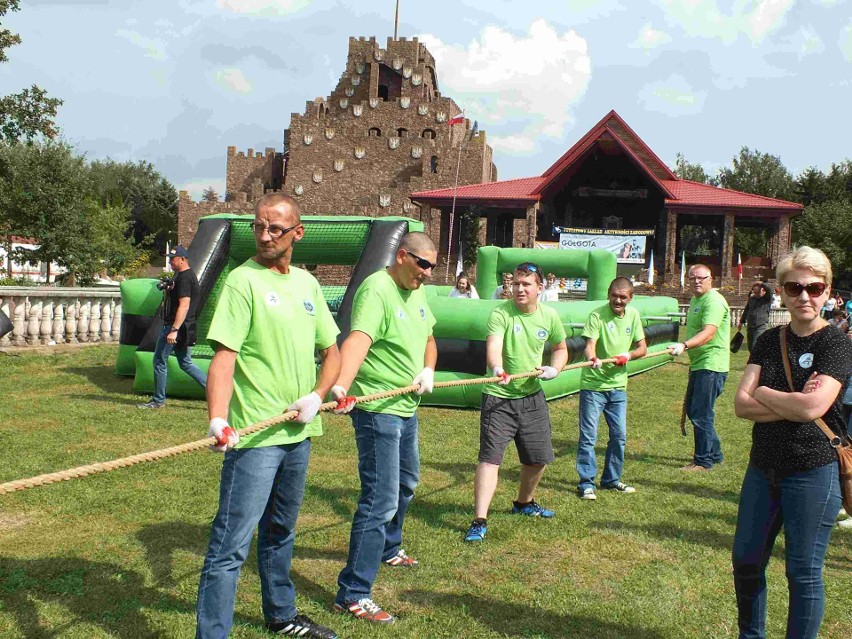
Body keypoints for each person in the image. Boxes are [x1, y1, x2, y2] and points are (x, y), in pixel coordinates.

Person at [196, 193, 342, 639]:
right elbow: (224, 357)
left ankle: (282, 615)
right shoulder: (243, 281)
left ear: (298, 232)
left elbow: (331, 351)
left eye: (275, 228)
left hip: (298, 433)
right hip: (255, 439)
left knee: (280, 531)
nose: (264, 236)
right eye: (258, 227)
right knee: (230, 546)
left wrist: (318, 395)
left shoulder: (308, 285)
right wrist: (218, 418)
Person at [732, 246, 852, 639]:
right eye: (794, 287)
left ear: (827, 290)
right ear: (781, 292)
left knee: (802, 571)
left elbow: (812, 406)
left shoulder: (835, 344)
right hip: (762, 466)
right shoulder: (768, 340)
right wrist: (792, 402)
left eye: (814, 287)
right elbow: (740, 405)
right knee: (746, 561)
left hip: (814, 470)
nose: (804, 296)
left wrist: (764, 391)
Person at [330, 232, 438, 624]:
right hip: (378, 409)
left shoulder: (418, 290)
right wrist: (342, 383)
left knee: (407, 483)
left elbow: (429, 338)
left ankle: (389, 547)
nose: (427, 273)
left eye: (432, 266)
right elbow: (358, 339)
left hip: (407, 405)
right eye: (422, 264)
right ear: (402, 256)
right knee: (380, 500)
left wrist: (428, 368)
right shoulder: (376, 289)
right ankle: (353, 593)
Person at [463, 262, 568, 542]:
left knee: (538, 459)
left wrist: (555, 369)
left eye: (526, 284)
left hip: (532, 397)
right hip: (499, 399)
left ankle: (523, 503)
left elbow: (561, 348)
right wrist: (497, 369)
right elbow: (494, 347)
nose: (519, 289)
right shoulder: (500, 313)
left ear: (539, 289)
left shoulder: (549, 316)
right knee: (490, 460)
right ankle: (479, 519)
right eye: (516, 284)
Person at [576, 277, 647, 500]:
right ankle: (586, 483)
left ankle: (611, 479)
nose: (618, 300)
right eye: (615, 295)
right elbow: (589, 345)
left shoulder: (633, 315)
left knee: (619, 436)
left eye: (623, 297)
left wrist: (629, 355)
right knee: (589, 436)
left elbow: (642, 348)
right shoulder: (596, 315)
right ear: (608, 294)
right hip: (594, 386)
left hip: (618, 387)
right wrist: (593, 358)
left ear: (630, 298)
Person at [668, 264, 730, 471]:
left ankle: (702, 461)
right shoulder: (696, 299)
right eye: (692, 277)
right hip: (700, 363)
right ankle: (715, 454)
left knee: (701, 413)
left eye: (701, 278)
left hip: (711, 364)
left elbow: (709, 333)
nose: (696, 281)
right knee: (698, 411)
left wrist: (684, 346)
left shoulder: (713, 301)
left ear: (711, 278)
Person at [137, 245, 207, 409]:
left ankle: (158, 400)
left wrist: (173, 330)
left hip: (175, 328)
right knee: (185, 363)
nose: (170, 262)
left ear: (182, 259)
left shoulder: (184, 278)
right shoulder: (186, 276)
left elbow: (184, 305)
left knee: (159, 361)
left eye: (172, 259)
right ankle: (216, 392)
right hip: (185, 327)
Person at [737, 281, 773, 351]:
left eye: (758, 292)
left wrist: (761, 283)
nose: (756, 294)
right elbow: (746, 310)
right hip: (750, 327)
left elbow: (769, 289)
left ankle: (758, 361)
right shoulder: (751, 299)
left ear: (763, 290)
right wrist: (741, 322)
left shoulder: (767, 299)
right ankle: (755, 361)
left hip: (761, 327)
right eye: (755, 292)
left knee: (755, 346)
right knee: (750, 348)